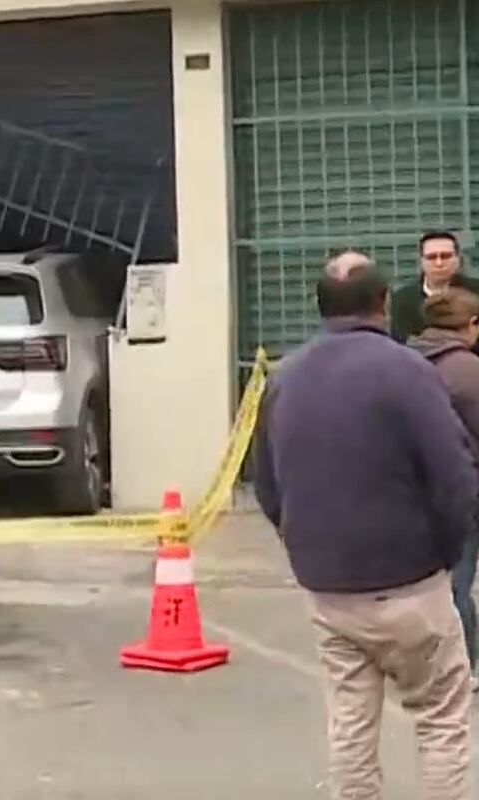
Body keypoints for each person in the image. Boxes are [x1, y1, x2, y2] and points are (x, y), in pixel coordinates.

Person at [251, 254, 476, 799]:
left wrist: (304, 545)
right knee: (442, 715)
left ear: (320, 308)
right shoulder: (407, 372)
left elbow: (266, 482)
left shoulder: (285, 378)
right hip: (410, 579)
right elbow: (454, 476)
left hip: (328, 587)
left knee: (350, 721)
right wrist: (446, 554)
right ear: (382, 305)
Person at [406, 286, 479, 693]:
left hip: (411, 492)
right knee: (457, 584)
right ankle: (464, 665)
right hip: (460, 491)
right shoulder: (467, 369)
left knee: (426, 584)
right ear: (469, 326)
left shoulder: (405, 361)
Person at [390, 230, 479, 345]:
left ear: (457, 259)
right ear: (422, 261)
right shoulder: (402, 298)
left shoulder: (475, 291)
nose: (439, 263)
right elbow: (399, 340)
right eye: (431, 257)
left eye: (445, 256)